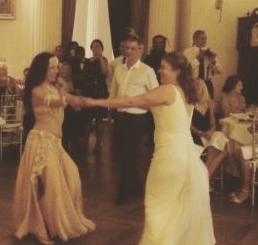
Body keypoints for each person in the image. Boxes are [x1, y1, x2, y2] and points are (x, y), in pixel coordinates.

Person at [84, 52, 215, 244]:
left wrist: (95, 102)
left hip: (169, 157)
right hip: (184, 155)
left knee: (157, 207)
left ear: (177, 71)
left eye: (164, 67)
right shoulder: (184, 91)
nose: (159, 70)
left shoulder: (167, 90)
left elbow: (131, 101)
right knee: (175, 209)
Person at [13, 52, 95, 244]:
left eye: (56, 67)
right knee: (51, 187)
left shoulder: (53, 87)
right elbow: (58, 101)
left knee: (72, 176)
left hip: (55, 143)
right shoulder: (36, 90)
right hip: (41, 142)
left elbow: (66, 100)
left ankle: (52, 222)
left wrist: (82, 101)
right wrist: (72, 100)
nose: (56, 70)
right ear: (42, 69)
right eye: (52, 67)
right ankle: (44, 225)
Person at [109, 36, 158, 204]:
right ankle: (136, 185)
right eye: (126, 48)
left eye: (132, 48)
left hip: (137, 118)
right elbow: (113, 94)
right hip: (120, 116)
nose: (128, 52)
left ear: (140, 49)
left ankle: (122, 190)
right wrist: (110, 115)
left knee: (128, 153)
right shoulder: (118, 70)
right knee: (123, 152)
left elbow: (155, 95)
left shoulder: (147, 71)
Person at [191, 78, 228, 188]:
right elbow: (188, 125)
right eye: (195, 85)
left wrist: (211, 131)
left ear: (204, 88)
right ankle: (206, 182)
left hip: (208, 135)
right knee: (219, 143)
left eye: (200, 85)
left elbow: (213, 125)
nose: (198, 86)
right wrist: (201, 133)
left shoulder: (209, 103)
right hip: (196, 135)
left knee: (225, 145)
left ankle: (204, 179)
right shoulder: (189, 103)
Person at [82, 39, 109, 154]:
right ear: (91, 48)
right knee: (87, 119)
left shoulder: (104, 60)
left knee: (99, 119)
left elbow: (104, 72)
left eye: (98, 46)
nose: (96, 48)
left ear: (102, 48)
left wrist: (100, 57)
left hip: (100, 92)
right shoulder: (87, 61)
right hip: (88, 91)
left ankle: (98, 144)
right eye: (94, 46)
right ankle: (86, 141)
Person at [184, 30, 222, 98]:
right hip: (193, 83)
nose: (205, 41)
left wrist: (213, 61)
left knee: (208, 105)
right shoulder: (187, 52)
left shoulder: (210, 52)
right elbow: (186, 69)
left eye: (205, 39)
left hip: (207, 84)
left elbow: (219, 71)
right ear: (195, 39)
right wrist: (198, 58)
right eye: (202, 39)